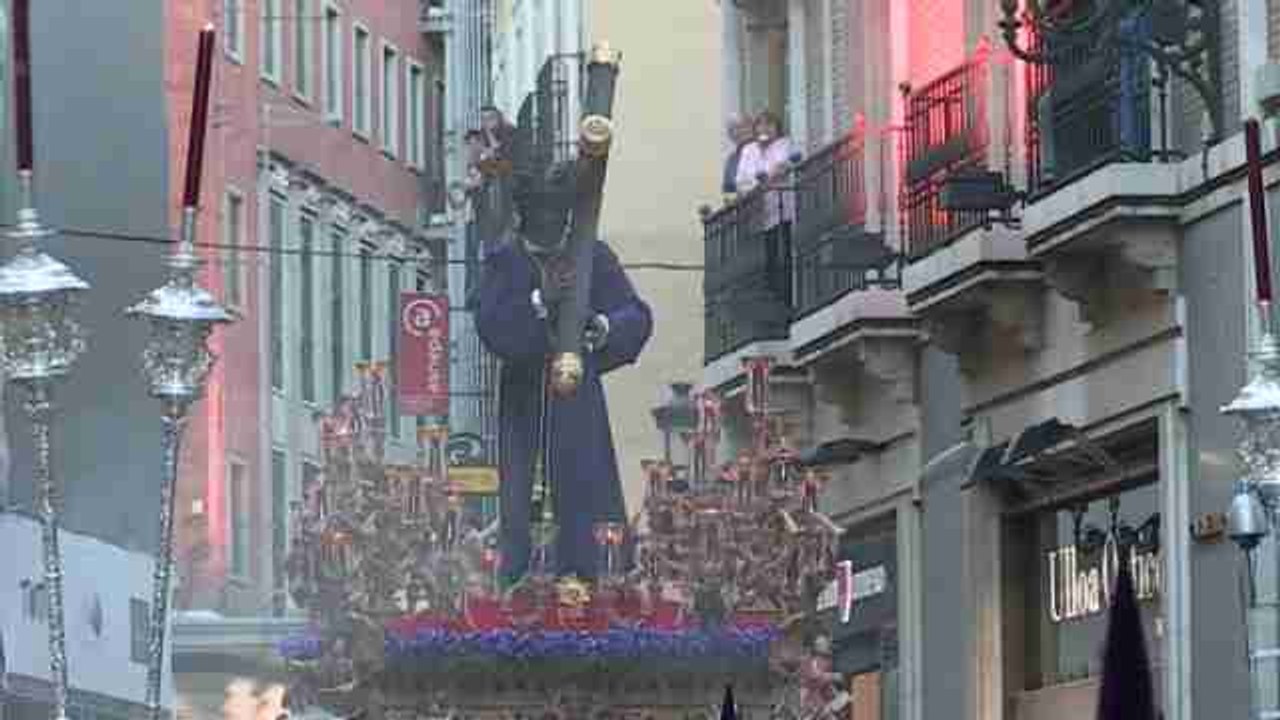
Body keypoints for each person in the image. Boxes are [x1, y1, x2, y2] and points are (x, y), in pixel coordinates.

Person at [476, 162, 653, 584]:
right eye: (541, 216)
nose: (551, 224)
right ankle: (522, 584)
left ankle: (601, 578)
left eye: (558, 216)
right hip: (526, 408)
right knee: (525, 502)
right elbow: (493, 325)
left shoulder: (592, 255)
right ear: (525, 216)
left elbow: (636, 315)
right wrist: (540, 301)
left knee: (588, 494)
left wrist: (603, 326)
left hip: (580, 409)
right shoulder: (505, 262)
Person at [735, 111, 796, 306]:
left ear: (777, 128)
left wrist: (763, 180)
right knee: (765, 258)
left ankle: (784, 298)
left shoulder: (784, 144)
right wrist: (760, 184)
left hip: (782, 208)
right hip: (757, 212)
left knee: (783, 254)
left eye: (769, 125)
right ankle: (769, 298)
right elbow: (741, 180)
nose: (765, 129)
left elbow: (781, 168)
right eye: (760, 125)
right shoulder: (749, 150)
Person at [720, 114, 754, 196]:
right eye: (732, 130)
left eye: (742, 127)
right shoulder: (732, 159)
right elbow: (728, 190)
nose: (738, 132)